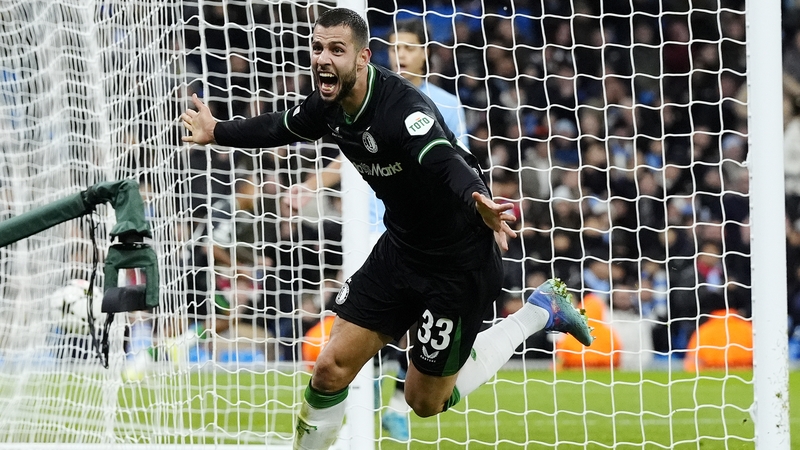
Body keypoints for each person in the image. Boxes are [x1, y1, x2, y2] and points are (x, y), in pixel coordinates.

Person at [181, 8, 593, 449]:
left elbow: (444, 158)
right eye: (317, 48)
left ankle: (537, 312)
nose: (322, 58)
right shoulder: (328, 105)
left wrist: (479, 198)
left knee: (424, 401)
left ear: (363, 57)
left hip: (456, 263)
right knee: (329, 369)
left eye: (336, 49)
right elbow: (280, 126)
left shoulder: (403, 108)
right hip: (400, 249)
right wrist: (217, 131)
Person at [283, 17, 470, 440]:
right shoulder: (364, 94)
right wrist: (309, 186)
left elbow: (454, 162)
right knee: (362, 323)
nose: (400, 54)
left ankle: (398, 403)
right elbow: (343, 154)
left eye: (409, 48)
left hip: (423, 233)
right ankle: (367, 402)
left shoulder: (443, 104)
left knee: (413, 326)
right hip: (368, 225)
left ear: (424, 54)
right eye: (395, 47)